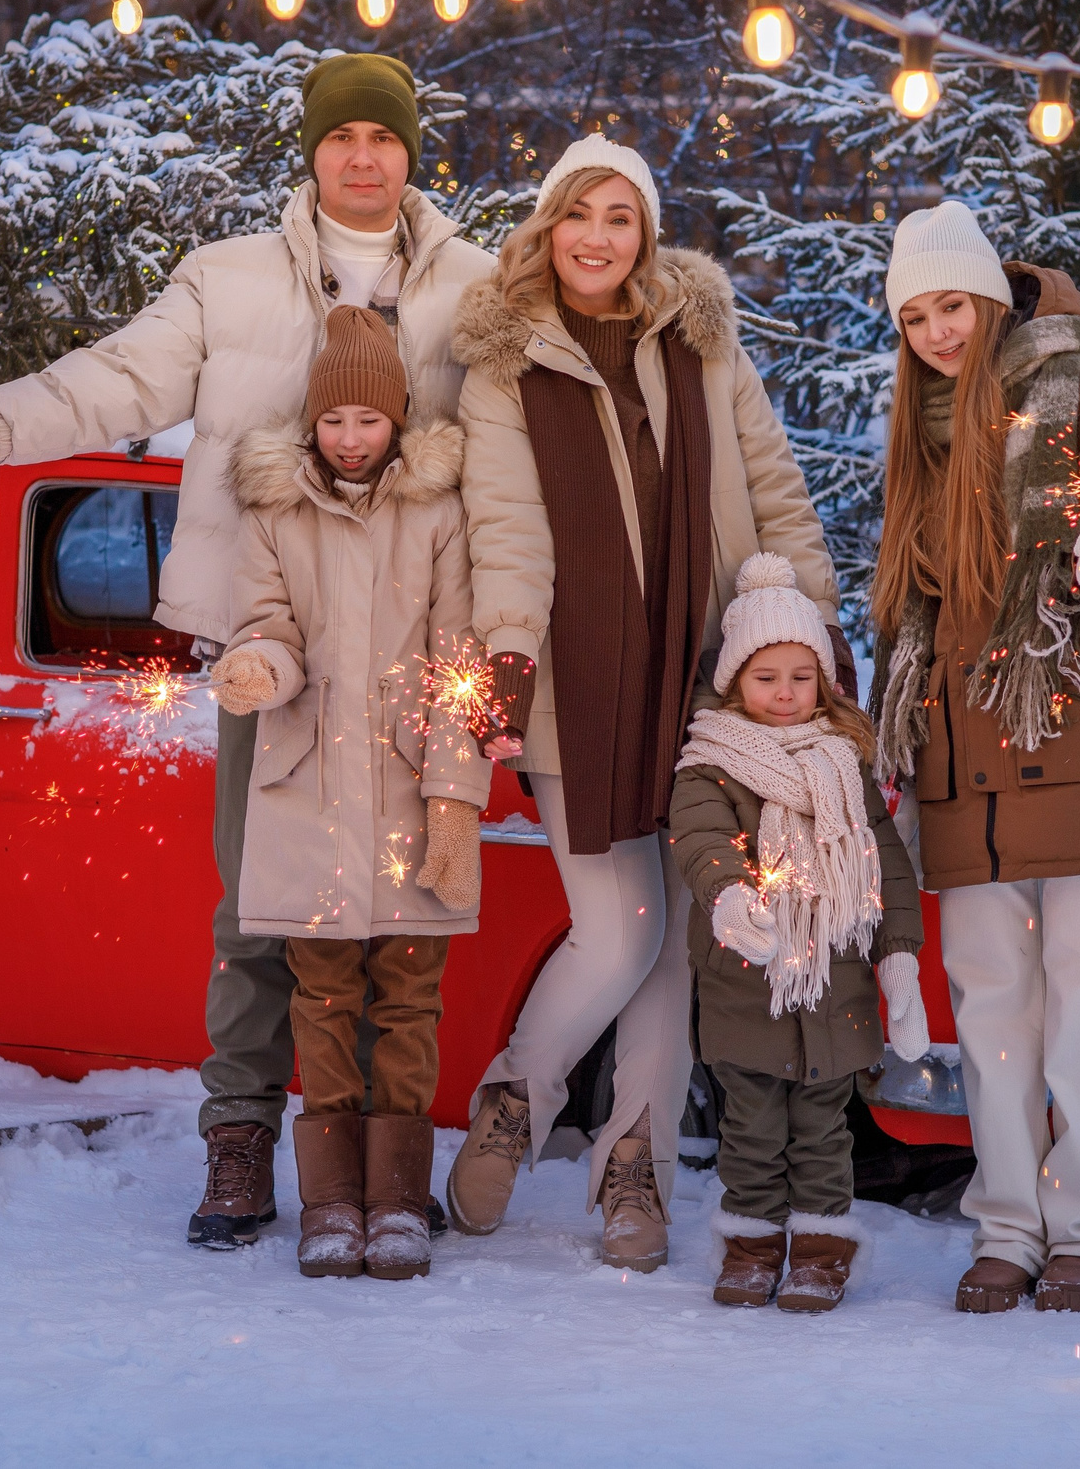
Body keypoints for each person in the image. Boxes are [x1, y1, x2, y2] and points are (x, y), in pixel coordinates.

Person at [0, 54, 496, 1250]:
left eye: (383, 139)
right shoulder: (226, 281)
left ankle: (381, 1161)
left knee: (407, 916)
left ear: (411, 153)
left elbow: (528, 449)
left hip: (421, 654)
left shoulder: (476, 290)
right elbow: (123, 378)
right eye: (341, 140)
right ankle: (239, 1141)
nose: (362, 159)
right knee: (262, 910)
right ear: (312, 153)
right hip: (265, 649)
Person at [440, 133, 843, 1271]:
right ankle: (514, 1101)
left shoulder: (703, 344)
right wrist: (508, 657)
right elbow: (507, 530)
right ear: (546, 228)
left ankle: (637, 1174)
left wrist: (810, 630)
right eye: (579, 214)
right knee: (619, 933)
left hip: (702, 678)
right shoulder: (505, 362)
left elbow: (772, 487)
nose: (598, 238)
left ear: (646, 234)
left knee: (676, 946)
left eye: (620, 217)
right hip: (581, 682)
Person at [865, 202, 1080, 1316]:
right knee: (992, 1012)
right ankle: (1006, 1224)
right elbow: (904, 610)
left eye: (950, 305)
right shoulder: (918, 429)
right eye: (913, 316)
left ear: (991, 297)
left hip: (1079, 735)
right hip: (964, 758)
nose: (937, 332)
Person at [206, 307, 488, 1282]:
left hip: (410, 791)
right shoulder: (275, 512)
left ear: (398, 421)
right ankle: (331, 1196)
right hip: (310, 790)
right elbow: (267, 624)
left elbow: (461, 659)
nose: (352, 439)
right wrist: (258, 668)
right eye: (335, 422)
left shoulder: (440, 514)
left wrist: (455, 794)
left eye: (370, 421)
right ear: (313, 425)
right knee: (323, 997)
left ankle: (398, 1196)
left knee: (408, 999)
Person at [666, 554, 928, 1312]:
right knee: (749, 1132)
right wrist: (726, 897)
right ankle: (750, 1246)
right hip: (745, 984)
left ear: (823, 681)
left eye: (800, 676)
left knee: (823, 1134)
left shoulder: (842, 766)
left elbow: (886, 868)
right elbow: (700, 839)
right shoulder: (711, 764)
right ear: (736, 683)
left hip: (835, 990)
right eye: (766, 676)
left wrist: (899, 958)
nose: (784, 693)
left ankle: (818, 1249)